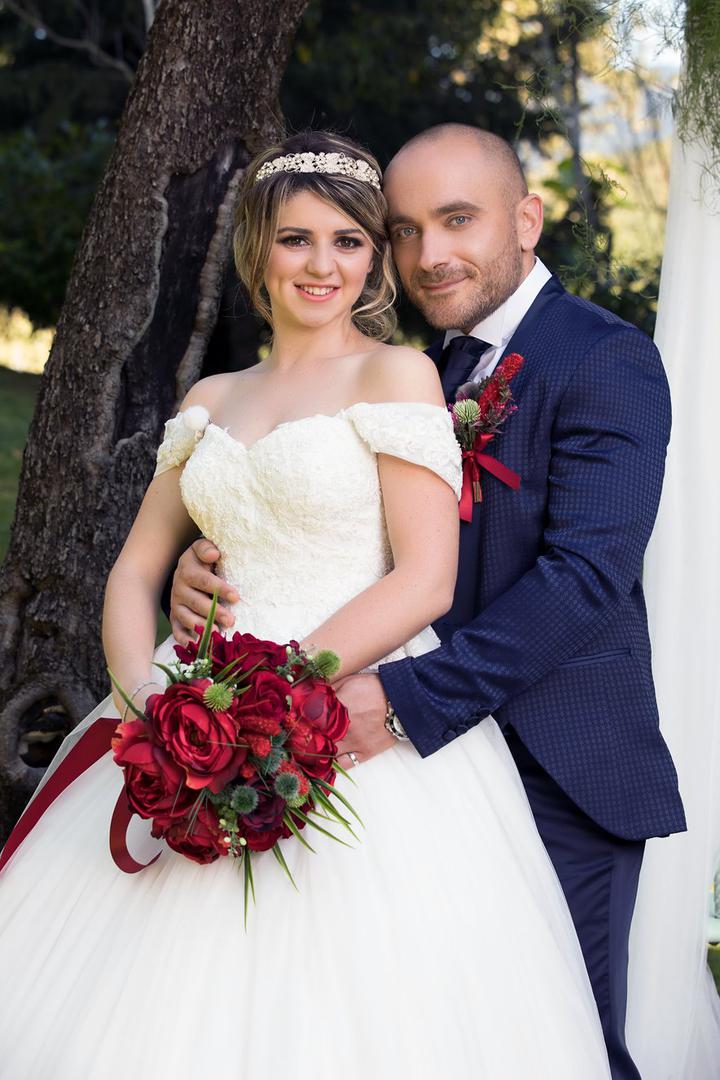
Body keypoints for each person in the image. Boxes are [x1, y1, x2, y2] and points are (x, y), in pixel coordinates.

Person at [0, 131, 611, 1078]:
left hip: (339, 705)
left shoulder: (395, 375)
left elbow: (425, 578)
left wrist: (274, 700)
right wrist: (148, 713)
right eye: (296, 238)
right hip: (194, 700)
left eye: (348, 241)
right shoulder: (212, 396)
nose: (322, 264)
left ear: (372, 258)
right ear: (259, 247)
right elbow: (133, 574)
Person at [171, 126, 686, 1080]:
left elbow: (587, 575)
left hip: (551, 761)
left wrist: (403, 699)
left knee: (557, 1047)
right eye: (404, 230)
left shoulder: (604, 357)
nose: (429, 254)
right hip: (416, 777)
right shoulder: (413, 369)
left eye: (458, 220)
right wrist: (206, 563)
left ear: (526, 221)